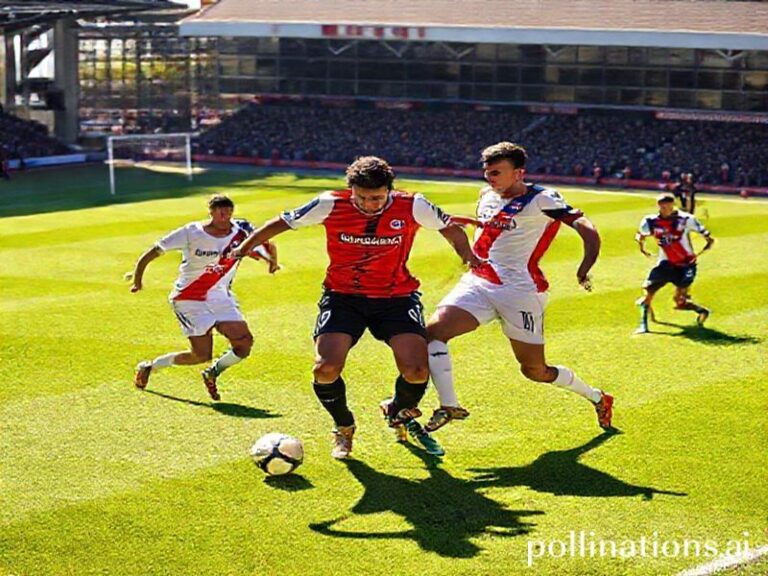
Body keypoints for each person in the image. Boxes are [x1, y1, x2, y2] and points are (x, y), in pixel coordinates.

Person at [231, 156, 479, 459]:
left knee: (416, 370)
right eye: (361, 197)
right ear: (351, 190)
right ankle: (344, 427)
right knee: (325, 369)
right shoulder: (329, 204)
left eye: (376, 197)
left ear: (390, 189)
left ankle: (396, 410)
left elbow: (451, 228)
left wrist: (468, 255)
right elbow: (282, 222)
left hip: (396, 297)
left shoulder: (413, 205)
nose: (369, 204)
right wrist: (244, 249)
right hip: (343, 296)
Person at [424, 142, 614, 433]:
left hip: (520, 291)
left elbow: (585, 227)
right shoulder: (486, 194)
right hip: (479, 282)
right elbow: (487, 228)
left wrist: (585, 266)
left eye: (497, 172)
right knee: (433, 334)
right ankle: (449, 406)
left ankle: (597, 397)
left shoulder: (542, 199)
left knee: (535, 371)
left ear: (519, 173)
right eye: (487, 173)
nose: (490, 179)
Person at [130, 195, 279, 400]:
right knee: (201, 355)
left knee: (244, 343)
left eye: (228, 211)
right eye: (219, 211)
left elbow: (265, 245)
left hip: (220, 297)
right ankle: (150, 366)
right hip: (188, 298)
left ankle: (213, 373)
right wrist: (137, 279)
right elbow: (152, 252)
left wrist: (271, 261)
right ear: (210, 212)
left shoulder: (240, 232)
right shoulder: (191, 232)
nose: (224, 216)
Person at [634, 192, 714, 334]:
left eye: (668, 206)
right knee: (648, 290)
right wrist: (641, 245)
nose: (665, 209)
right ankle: (643, 325)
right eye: (662, 206)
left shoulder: (686, 219)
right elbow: (642, 234)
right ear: (658, 205)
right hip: (666, 263)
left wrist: (707, 243)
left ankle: (702, 311)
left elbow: (707, 235)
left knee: (680, 302)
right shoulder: (650, 220)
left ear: (673, 205)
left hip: (686, 265)